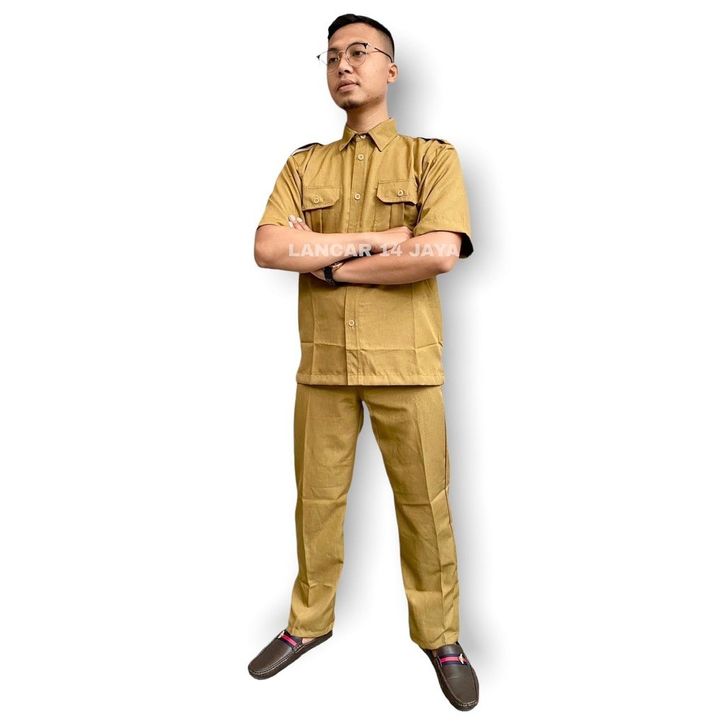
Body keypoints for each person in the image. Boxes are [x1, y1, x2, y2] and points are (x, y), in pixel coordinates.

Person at [247, 13, 478, 711]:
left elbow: (438, 252)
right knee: (315, 504)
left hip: (407, 366)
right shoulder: (303, 166)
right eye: (330, 57)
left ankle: (441, 637)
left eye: (358, 52)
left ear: (391, 69)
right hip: (322, 368)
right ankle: (308, 622)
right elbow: (269, 248)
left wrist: (329, 264)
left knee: (426, 506)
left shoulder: (431, 159)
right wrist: (380, 240)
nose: (343, 65)